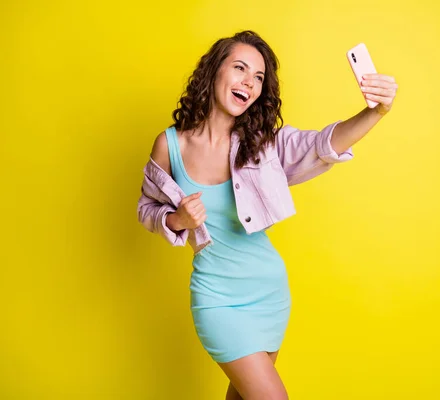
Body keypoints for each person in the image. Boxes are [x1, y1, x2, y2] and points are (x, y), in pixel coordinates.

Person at [137, 30, 397, 400]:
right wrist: (176, 220)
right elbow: (147, 207)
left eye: (258, 77)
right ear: (213, 72)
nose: (249, 82)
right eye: (240, 68)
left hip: (269, 294)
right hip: (218, 299)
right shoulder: (170, 146)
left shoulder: (263, 146)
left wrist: (376, 112)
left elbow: (323, 144)